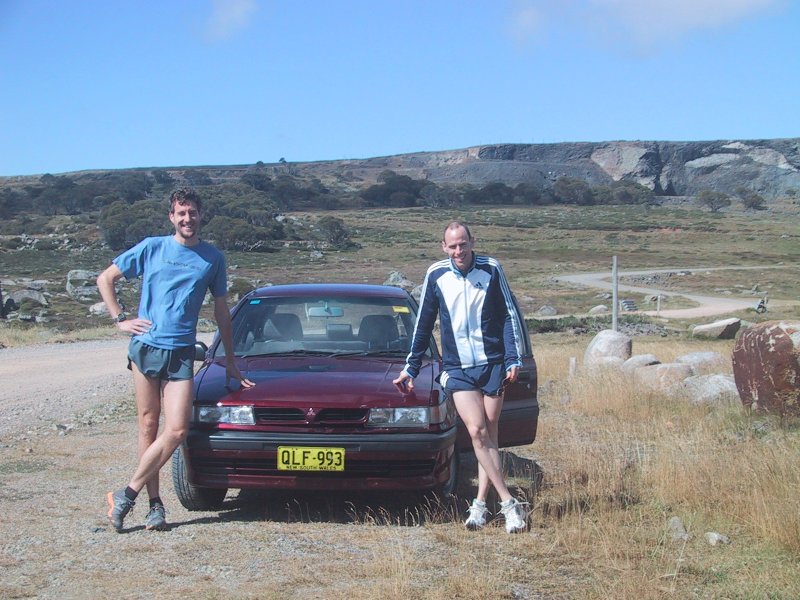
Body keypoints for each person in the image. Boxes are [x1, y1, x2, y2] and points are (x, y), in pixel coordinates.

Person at [97, 187, 254, 533]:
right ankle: (155, 504)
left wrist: (229, 358)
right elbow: (105, 279)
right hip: (146, 347)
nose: (187, 218)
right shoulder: (152, 247)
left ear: (200, 215)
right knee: (148, 425)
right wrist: (120, 318)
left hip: (182, 351)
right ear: (172, 217)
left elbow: (222, 310)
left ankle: (126, 494)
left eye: (192, 212)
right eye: (181, 213)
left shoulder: (213, 258)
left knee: (178, 428)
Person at [393, 221, 529, 533]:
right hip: (457, 368)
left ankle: (479, 504)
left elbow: (508, 315)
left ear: (472, 242)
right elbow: (424, 323)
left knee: (489, 435)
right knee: (477, 431)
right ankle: (509, 502)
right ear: (444, 247)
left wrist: (513, 357)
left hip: (492, 364)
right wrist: (411, 367)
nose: (458, 251)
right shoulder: (436, 274)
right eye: (452, 246)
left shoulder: (491, 269)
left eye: (463, 244)